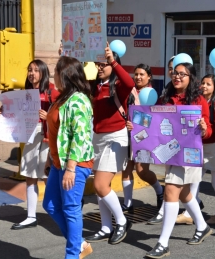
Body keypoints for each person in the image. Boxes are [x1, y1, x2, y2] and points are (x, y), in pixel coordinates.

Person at [145, 63, 212, 258]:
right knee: (182, 192)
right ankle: (202, 226)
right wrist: (137, 125)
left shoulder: (199, 100)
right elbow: (154, 122)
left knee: (171, 190)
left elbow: (208, 131)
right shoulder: (165, 97)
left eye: (182, 74)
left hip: (189, 154)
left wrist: (203, 128)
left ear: (191, 77)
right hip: (171, 152)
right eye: (175, 73)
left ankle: (162, 243)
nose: (177, 77)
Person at [42, 56, 94, 259]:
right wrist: (50, 158)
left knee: (71, 208)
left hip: (75, 163)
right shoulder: (62, 97)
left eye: (56, 71)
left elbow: (79, 136)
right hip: (58, 162)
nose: (53, 74)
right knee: (50, 204)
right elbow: (58, 133)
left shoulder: (78, 100)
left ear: (65, 75)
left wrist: (71, 168)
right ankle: (79, 244)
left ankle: (72, 254)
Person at [84, 43, 134, 244]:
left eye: (105, 63)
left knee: (100, 184)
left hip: (115, 138)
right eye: (98, 63)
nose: (100, 66)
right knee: (101, 186)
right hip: (97, 138)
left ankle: (121, 221)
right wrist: (67, 56)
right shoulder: (94, 86)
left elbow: (129, 82)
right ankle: (106, 226)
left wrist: (112, 60)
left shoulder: (118, 87)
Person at [9, 60, 59, 230]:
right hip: (30, 134)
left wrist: (49, 117)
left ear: (43, 72)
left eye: (36, 70)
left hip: (47, 136)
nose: (32, 73)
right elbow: (18, 112)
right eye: (30, 70)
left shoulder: (52, 90)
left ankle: (60, 210)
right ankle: (31, 216)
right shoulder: (26, 92)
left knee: (47, 176)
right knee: (30, 175)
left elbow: (63, 112)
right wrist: (6, 111)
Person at [175, 74, 215, 225]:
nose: (204, 86)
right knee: (194, 180)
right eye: (202, 83)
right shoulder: (197, 101)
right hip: (199, 145)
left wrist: (212, 124)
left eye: (208, 84)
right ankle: (189, 212)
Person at [121, 64, 164, 212]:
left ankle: (160, 191)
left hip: (145, 138)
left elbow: (155, 118)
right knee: (126, 168)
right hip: (128, 134)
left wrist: (140, 126)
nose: (138, 77)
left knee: (141, 171)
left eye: (142, 74)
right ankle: (128, 203)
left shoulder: (152, 94)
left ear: (149, 77)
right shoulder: (129, 90)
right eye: (136, 74)